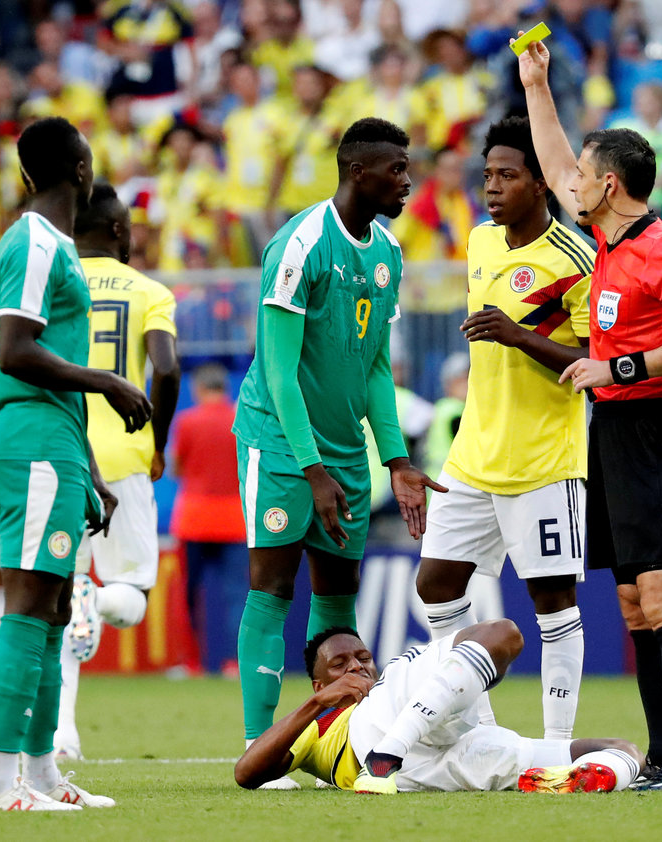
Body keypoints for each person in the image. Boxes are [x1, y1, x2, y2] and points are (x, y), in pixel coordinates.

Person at [520, 37, 662, 790]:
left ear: (608, 184)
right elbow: (553, 162)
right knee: (634, 603)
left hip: (655, 425)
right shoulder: (607, 240)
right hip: (610, 427)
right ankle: (661, 757)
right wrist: (536, 86)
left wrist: (616, 367)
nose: (568, 182)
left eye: (583, 174)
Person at [230, 117, 444, 789]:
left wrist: (396, 459)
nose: (406, 181)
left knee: (337, 595)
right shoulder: (300, 244)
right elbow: (279, 371)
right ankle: (261, 745)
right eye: (396, 169)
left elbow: (376, 366)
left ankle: (338, 737)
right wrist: (313, 469)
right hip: (278, 440)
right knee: (272, 587)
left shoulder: (388, 253)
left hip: (346, 449)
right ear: (358, 172)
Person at [0, 116, 151, 812]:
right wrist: (107, 381)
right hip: (31, 438)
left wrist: (90, 470)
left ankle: (43, 775)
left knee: (52, 608)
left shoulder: (56, 247)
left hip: (58, 442)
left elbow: (44, 357)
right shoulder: (36, 242)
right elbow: (17, 350)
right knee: (28, 604)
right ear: (81, 169)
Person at [415, 116, 595, 741]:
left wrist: (520, 336)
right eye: (488, 175)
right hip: (473, 454)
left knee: (553, 603)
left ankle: (555, 747)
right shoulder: (481, 242)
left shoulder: (577, 259)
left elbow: (594, 364)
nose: (492, 187)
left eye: (507, 175)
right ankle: (480, 726)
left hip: (543, 460)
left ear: (541, 183)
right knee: (435, 585)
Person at [55, 182, 180, 761]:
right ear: (115, 230)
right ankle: (95, 599)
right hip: (124, 457)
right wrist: (157, 441)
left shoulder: (55, 284)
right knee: (130, 595)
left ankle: (62, 733)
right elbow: (167, 368)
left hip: (64, 449)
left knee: (62, 600)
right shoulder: (148, 290)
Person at [234, 620, 642, 794]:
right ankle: (385, 756)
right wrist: (316, 704)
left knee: (624, 750)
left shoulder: (398, 682)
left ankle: (589, 777)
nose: (356, 667)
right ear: (319, 684)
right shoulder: (320, 720)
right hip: (374, 738)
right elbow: (246, 773)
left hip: (444, 753)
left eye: (363, 658)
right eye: (340, 664)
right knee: (503, 633)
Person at [170, 362, 248, 676]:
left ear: (198, 388)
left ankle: (191, 663)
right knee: (238, 595)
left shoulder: (187, 421)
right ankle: (235, 663)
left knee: (188, 594)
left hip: (195, 519)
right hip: (234, 521)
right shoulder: (240, 420)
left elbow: (177, 467)